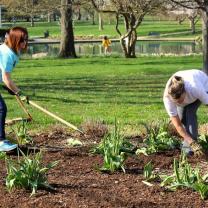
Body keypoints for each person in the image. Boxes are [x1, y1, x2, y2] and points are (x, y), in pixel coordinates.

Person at [163, 69, 208, 156]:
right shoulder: (167, 99)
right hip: (189, 89)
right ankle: (190, 144)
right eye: (176, 102)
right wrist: (191, 142)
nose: (179, 103)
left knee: (189, 114)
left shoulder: (195, 88)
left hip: (204, 83)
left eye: (181, 100)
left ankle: (189, 150)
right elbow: (178, 125)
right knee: (182, 119)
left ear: (185, 92)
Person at [0, 26, 29, 151]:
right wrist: (19, 92)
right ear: (15, 39)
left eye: (26, 39)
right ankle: (1, 143)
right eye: (23, 40)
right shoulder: (7, 54)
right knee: (1, 109)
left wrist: (9, 88)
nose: (25, 43)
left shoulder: (10, 51)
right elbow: (6, 78)